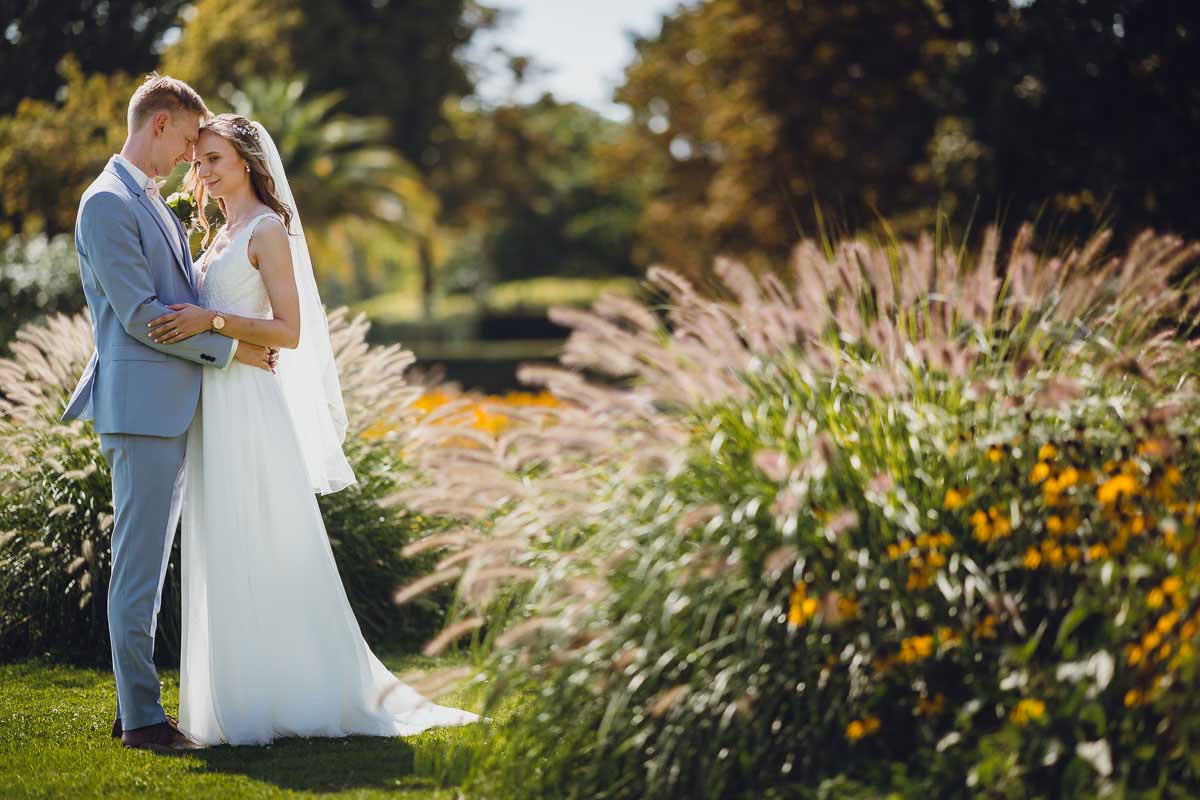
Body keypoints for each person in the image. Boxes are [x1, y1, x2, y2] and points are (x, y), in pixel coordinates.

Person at [144, 113, 481, 746]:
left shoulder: (268, 230)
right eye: (201, 160)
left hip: (249, 406)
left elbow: (288, 332)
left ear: (246, 161)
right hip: (213, 403)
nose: (204, 170)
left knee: (261, 539)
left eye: (214, 158)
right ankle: (232, 698)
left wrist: (211, 323)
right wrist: (211, 330)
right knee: (223, 542)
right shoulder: (218, 235)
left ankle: (290, 695)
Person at [61, 75, 277, 753]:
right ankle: (144, 721)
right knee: (139, 566)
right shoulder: (106, 204)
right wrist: (236, 351)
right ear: (159, 125)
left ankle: (135, 706)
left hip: (166, 405)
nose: (192, 157)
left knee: (147, 566)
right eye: (188, 140)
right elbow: (144, 317)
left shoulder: (143, 198)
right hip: (142, 410)